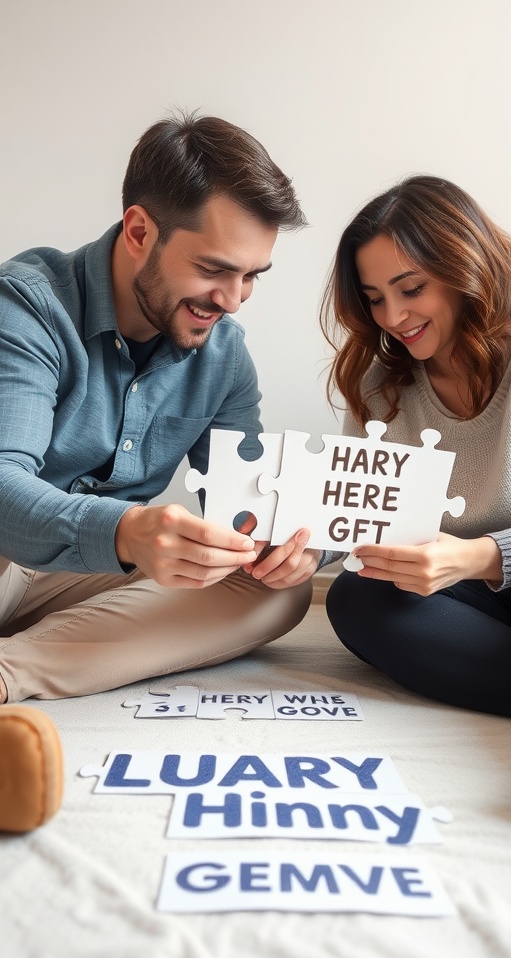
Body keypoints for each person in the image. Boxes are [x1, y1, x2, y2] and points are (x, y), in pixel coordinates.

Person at [0, 111, 323, 831]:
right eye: (214, 270)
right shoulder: (27, 302)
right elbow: (2, 488)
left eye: (250, 277)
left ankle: (9, 675)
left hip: (85, 571)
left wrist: (292, 549)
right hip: (11, 542)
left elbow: (253, 502)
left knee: (275, 596)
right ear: (139, 230)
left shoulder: (225, 354)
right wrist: (127, 531)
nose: (233, 300)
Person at [321, 175, 511, 822]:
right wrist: (300, 545)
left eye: (411, 290)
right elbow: (359, 516)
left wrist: (473, 556)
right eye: (375, 298)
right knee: (358, 597)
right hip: (459, 601)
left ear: (464, 266)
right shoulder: (381, 380)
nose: (393, 317)